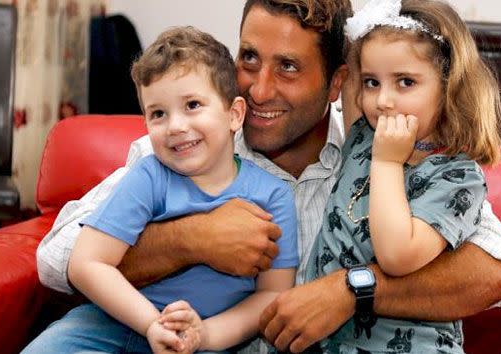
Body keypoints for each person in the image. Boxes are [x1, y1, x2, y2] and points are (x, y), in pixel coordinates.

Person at [36, 1, 501, 353]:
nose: (258, 87)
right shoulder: (183, 141)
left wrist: (349, 289)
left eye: (288, 67)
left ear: (338, 82)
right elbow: (55, 258)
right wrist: (189, 239)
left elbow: (500, 271)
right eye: (249, 58)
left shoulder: (376, 151)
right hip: (124, 328)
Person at [23, 26, 298, 354]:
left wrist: (205, 335)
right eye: (158, 114)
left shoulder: (273, 195)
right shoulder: (149, 176)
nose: (176, 126)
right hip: (112, 324)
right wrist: (151, 324)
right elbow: (87, 263)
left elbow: (271, 295)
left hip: (206, 339)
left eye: (193, 104)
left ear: (234, 114)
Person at [303, 0, 501, 352]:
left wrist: (386, 163)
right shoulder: (362, 135)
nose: (383, 100)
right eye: (372, 82)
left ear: (449, 87)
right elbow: (359, 56)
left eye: (405, 82)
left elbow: (396, 257)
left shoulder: (457, 178)